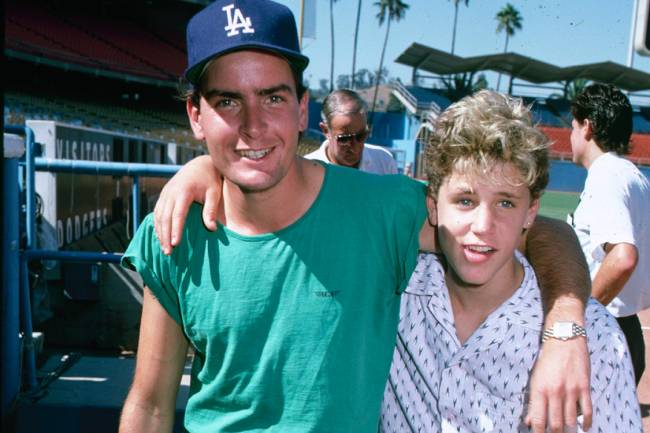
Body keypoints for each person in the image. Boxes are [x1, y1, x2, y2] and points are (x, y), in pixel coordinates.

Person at [121, 1, 593, 432]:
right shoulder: (174, 229)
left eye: (273, 98)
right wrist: (204, 166)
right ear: (195, 115)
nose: (252, 124)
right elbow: (151, 406)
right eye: (227, 101)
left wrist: (565, 332)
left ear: (303, 108)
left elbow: (539, 232)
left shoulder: (380, 209)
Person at [380, 90, 642, 433]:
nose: (483, 226)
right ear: (433, 205)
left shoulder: (595, 341)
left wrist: (564, 328)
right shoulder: (393, 291)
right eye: (464, 200)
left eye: (505, 203)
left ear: (530, 212)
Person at [568, 83, 650, 385]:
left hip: (602, 332)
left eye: (573, 126)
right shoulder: (634, 176)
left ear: (587, 126)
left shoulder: (606, 175)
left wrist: (577, 318)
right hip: (624, 328)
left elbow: (623, 257)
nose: (572, 135)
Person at [305, 89, 398, 174]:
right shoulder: (307, 171)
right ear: (326, 131)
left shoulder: (384, 163)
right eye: (344, 139)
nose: (355, 147)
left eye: (361, 136)